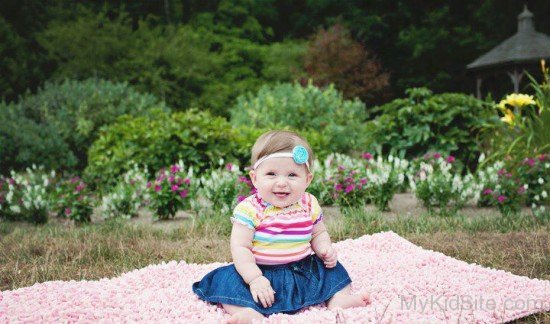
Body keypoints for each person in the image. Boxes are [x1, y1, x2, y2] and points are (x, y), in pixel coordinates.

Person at [192, 130, 369, 323]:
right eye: (271, 174)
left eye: (292, 174)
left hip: (302, 271)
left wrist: (324, 248)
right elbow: (241, 247)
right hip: (260, 271)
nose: (282, 182)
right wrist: (254, 278)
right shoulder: (250, 209)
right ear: (255, 178)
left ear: (307, 180)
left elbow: (318, 233)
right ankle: (248, 312)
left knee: (332, 270)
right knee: (228, 284)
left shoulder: (308, 204)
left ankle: (338, 298)